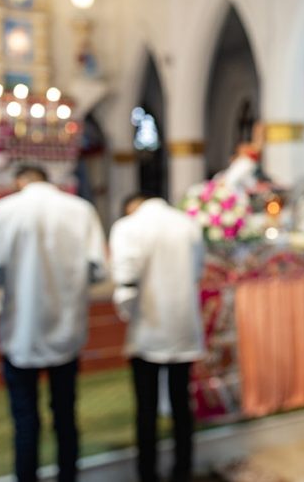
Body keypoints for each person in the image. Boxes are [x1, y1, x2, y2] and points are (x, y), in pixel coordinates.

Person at [0, 165, 107, 482]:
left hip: (21, 330)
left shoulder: (2, 212)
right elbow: (99, 271)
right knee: (66, 415)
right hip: (67, 328)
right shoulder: (80, 210)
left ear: (19, 182)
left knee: (25, 419)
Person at [110, 192, 205, 482]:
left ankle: (147, 472)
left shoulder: (129, 226)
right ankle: (183, 468)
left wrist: (128, 312)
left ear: (134, 205)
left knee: (146, 407)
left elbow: (125, 279)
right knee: (181, 402)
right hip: (182, 323)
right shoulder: (188, 224)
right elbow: (197, 272)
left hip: (147, 325)